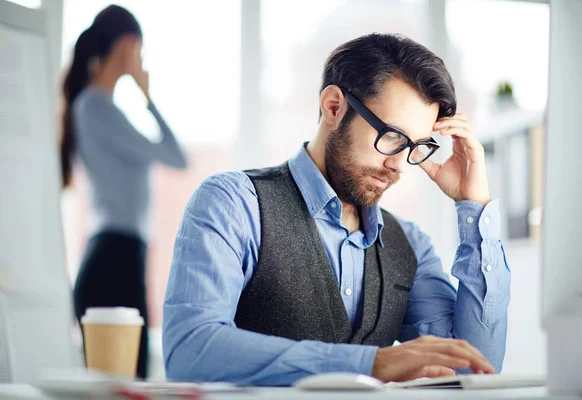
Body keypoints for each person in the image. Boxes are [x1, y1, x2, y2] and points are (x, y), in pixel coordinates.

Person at [163, 33, 510, 386]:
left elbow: (471, 369)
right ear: (334, 107)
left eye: (415, 147)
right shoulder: (233, 203)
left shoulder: (410, 245)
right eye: (392, 136)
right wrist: (369, 363)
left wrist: (475, 206)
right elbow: (190, 350)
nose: (400, 166)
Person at [60, 5, 188, 379]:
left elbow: (177, 158)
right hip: (113, 258)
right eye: (141, 50)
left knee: (133, 379)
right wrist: (147, 96)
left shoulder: (103, 108)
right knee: (128, 382)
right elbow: (175, 156)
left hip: (121, 256)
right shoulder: (96, 107)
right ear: (129, 45)